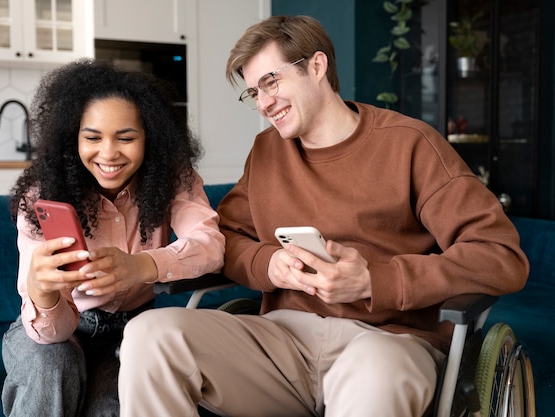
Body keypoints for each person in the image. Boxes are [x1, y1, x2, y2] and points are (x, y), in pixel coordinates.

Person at [118, 15, 529, 417]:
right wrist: (271, 266)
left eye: (270, 82)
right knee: (148, 336)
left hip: (387, 342)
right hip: (282, 343)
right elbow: (225, 240)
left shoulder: (410, 145)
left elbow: (500, 256)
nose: (263, 104)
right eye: (253, 93)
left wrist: (375, 280)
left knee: (375, 371)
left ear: (317, 66)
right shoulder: (266, 152)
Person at [1, 58, 225, 417]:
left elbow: (211, 245)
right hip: (53, 330)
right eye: (92, 138)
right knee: (53, 364)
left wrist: (143, 265)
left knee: (110, 408)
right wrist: (42, 291)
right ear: (72, 137)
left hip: (130, 330)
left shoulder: (172, 177)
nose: (108, 153)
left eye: (126, 138)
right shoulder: (43, 193)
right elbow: (50, 335)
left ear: (149, 137)